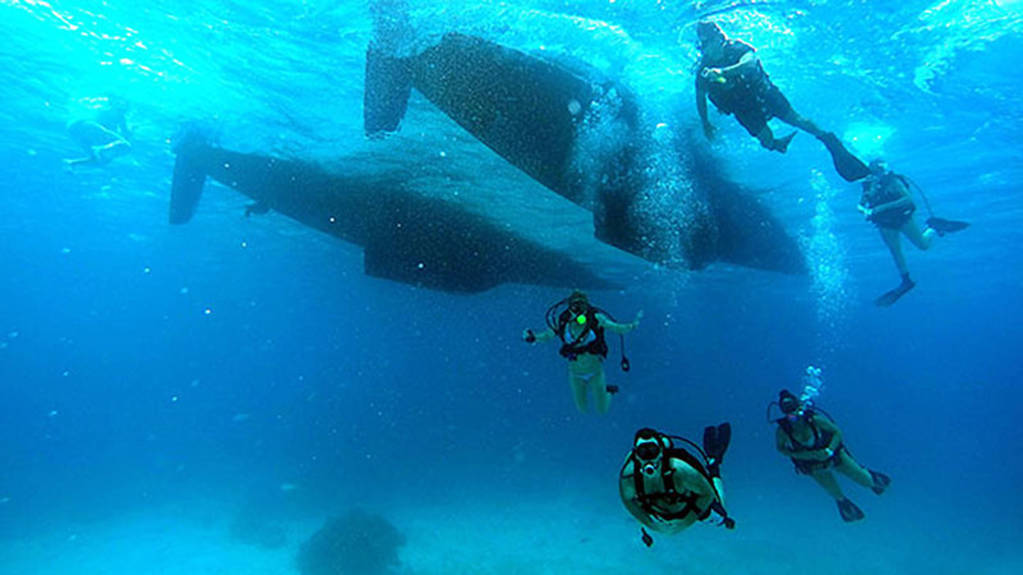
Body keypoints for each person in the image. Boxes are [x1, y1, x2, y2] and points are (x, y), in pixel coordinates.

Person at [693, 20, 869, 182]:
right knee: (766, 141)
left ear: (718, 37)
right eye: (701, 45)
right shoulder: (703, 68)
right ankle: (779, 145)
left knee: (797, 119)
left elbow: (750, 63)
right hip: (743, 108)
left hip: (763, 92)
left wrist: (723, 72)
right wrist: (705, 122)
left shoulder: (737, 47)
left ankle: (828, 139)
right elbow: (700, 96)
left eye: (706, 42)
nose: (704, 48)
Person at [858, 159, 969, 306]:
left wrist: (880, 208)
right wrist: (863, 209)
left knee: (923, 245)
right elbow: (861, 204)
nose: (874, 174)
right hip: (884, 222)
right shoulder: (868, 185)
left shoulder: (892, 181)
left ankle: (933, 228)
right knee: (895, 251)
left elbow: (907, 199)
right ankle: (905, 279)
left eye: (877, 171)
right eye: (872, 172)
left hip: (902, 217)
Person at [770, 389, 891, 522]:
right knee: (834, 492)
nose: (795, 419)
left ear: (800, 407)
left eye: (796, 413)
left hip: (834, 456)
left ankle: (870, 477)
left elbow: (837, 432)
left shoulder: (815, 420)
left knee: (864, 479)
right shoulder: (783, 430)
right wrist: (806, 455)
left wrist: (829, 450)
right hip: (813, 465)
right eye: (790, 416)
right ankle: (844, 505)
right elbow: (781, 449)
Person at [522, 290, 640, 414]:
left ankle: (608, 392)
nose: (578, 309)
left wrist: (632, 325)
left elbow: (615, 327)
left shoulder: (595, 317)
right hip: (575, 372)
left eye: (582, 305)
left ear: (587, 305)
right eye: (575, 305)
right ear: (569, 305)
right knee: (582, 409)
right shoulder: (563, 321)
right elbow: (548, 334)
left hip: (595, 371)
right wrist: (534, 337)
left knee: (602, 409)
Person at [619, 425, 735, 546]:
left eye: (653, 451)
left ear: (661, 452)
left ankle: (713, 464)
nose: (649, 458)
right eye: (642, 452)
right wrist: (648, 522)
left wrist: (686, 522)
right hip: (659, 514)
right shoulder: (629, 476)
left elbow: (707, 494)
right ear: (636, 455)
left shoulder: (681, 470)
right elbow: (628, 500)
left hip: (690, 509)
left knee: (721, 511)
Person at [63, 95, 133, 168]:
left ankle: (71, 163)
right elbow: (98, 127)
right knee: (125, 145)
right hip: (83, 127)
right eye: (118, 105)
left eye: (122, 107)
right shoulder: (103, 113)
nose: (120, 110)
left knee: (99, 161)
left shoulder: (120, 118)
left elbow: (125, 133)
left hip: (76, 133)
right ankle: (100, 150)